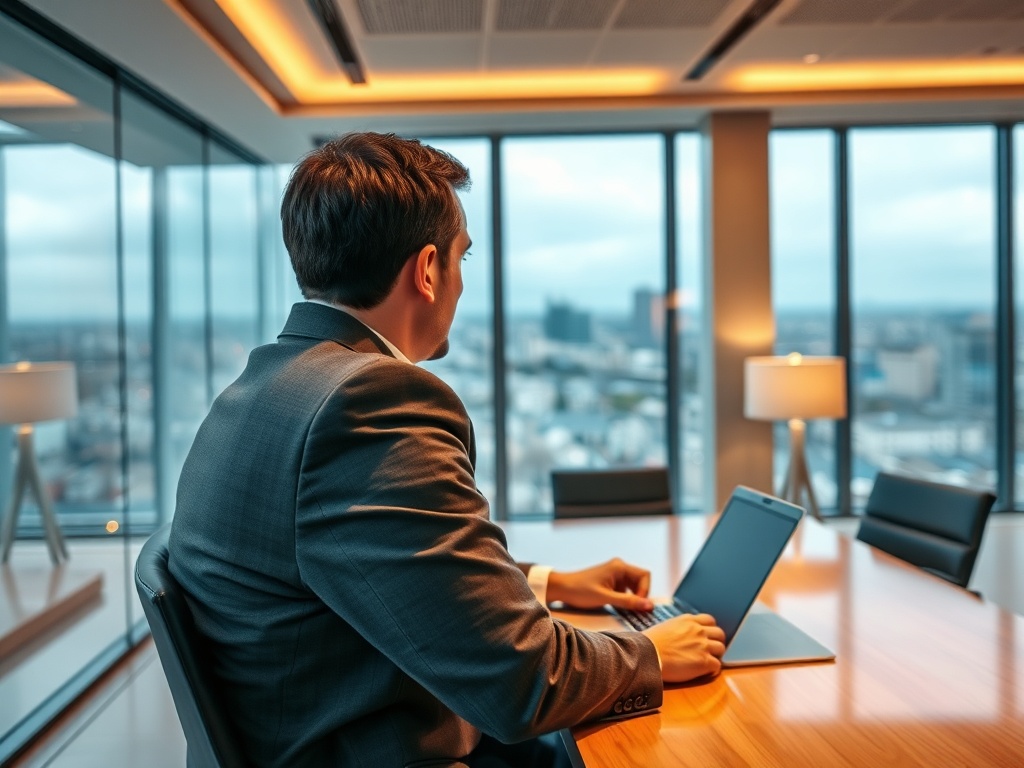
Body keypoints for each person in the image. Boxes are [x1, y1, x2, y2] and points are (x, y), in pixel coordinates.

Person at [168, 132, 725, 767]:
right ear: (428, 271)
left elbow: (384, 569)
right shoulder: (371, 401)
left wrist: (548, 584)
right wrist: (652, 653)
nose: (462, 284)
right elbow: (522, 684)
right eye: (462, 259)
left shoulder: (265, 385)